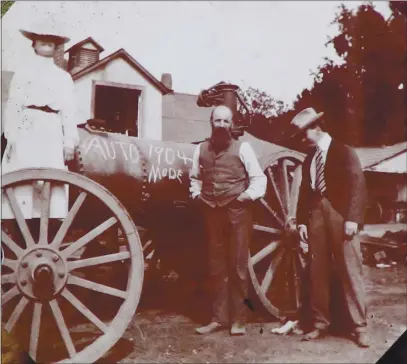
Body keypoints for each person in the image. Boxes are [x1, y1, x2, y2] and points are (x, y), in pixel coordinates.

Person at [292, 107, 370, 347]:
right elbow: (305, 193)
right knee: (318, 271)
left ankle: (360, 327)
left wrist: (353, 219)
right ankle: (320, 324)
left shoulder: (345, 152)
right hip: (315, 215)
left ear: (316, 128)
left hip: (341, 215)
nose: (302, 139)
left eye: (304, 133)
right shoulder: (309, 159)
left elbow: (358, 185)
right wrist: (303, 222)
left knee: (350, 269)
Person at [189, 105, 267, 336]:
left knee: (238, 268)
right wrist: (196, 195)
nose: (221, 125)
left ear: (232, 124)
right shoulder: (201, 149)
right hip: (212, 213)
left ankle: (239, 320)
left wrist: (245, 196)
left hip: (238, 214)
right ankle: (218, 318)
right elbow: (195, 178)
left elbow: (259, 179)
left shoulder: (243, 148)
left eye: (225, 121)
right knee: (216, 267)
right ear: (211, 122)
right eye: (217, 121)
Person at [2, 22, 79, 229]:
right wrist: (11, 137)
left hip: (51, 130)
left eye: (51, 41)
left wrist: (69, 142)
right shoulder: (22, 73)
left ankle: (45, 228)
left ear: (56, 47)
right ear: (33, 44)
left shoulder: (63, 78)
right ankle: (18, 226)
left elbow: (69, 111)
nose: (46, 43)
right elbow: (13, 106)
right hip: (26, 129)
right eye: (41, 39)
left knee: (49, 179)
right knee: (22, 177)